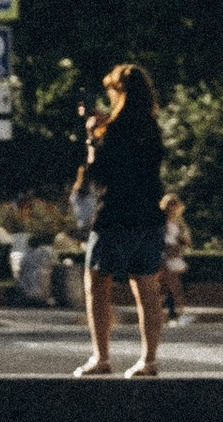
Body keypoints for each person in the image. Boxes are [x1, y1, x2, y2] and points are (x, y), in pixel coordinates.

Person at [74, 62, 168, 379]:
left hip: (117, 215)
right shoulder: (152, 128)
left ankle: (101, 357)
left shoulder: (114, 130)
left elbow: (99, 175)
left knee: (97, 283)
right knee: (146, 286)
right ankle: (149, 359)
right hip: (150, 215)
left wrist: (91, 140)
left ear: (121, 93)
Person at [159, 189, 192, 327]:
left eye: (174, 204)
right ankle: (176, 314)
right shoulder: (161, 221)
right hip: (164, 254)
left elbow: (186, 239)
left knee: (175, 286)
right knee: (172, 286)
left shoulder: (179, 221)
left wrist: (181, 243)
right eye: (170, 203)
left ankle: (172, 314)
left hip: (176, 255)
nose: (172, 207)